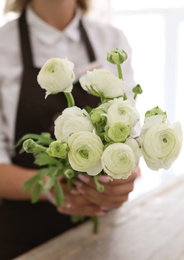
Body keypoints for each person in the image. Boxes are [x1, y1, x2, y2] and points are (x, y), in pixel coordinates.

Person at [0, 0, 139, 259]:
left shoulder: (111, 39)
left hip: (104, 232)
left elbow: (131, 134)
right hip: (26, 237)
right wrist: (54, 187)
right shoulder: (2, 45)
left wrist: (123, 178)